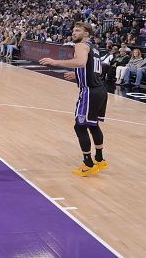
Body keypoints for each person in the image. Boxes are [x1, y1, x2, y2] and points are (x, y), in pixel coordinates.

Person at [39, 22, 108, 177]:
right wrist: (77, 75)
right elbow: (94, 68)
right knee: (93, 125)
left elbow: (81, 63)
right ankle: (99, 159)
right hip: (100, 90)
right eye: (73, 30)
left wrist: (55, 62)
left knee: (80, 126)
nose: (74, 32)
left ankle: (88, 164)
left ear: (86, 34)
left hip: (90, 92)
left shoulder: (81, 46)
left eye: (78, 30)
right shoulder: (95, 47)